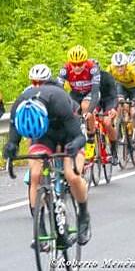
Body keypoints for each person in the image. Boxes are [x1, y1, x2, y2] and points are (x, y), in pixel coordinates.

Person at [3, 84, 91, 247]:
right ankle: (40, 226)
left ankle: (83, 215)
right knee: (36, 175)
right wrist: (11, 147)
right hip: (43, 136)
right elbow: (13, 138)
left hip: (68, 133)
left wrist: (74, 147)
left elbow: (79, 137)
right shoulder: (20, 105)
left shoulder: (59, 102)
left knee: (72, 175)